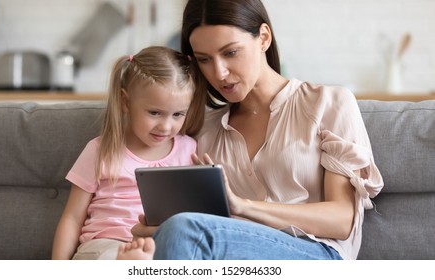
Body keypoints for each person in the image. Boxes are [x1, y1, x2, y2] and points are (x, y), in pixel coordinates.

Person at [119, 0, 384, 260]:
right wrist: (159, 231)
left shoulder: (329, 103)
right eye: (204, 59)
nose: (219, 73)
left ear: (264, 38)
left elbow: (342, 219)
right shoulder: (204, 132)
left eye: (230, 52)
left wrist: (243, 207)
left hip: (317, 254)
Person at [51, 46, 206, 260]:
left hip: (158, 247)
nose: (166, 126)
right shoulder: (101, 149)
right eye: (155, 113)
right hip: (103, 247)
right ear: (126, 102)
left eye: (178, 114)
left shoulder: (189, 150)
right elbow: (72, 218)